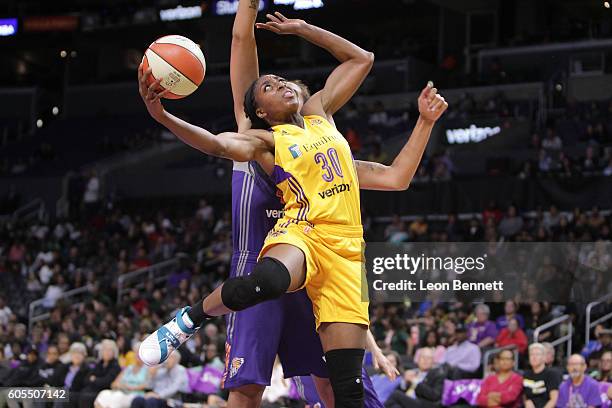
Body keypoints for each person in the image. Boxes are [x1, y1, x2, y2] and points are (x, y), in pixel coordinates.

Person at [138, 8, 447, 408]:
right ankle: (190, 318)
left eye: (282, 79)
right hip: (303, 234)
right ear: (260, 113)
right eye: (268, 85)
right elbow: (216, 144)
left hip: (347, 252)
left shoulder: (322, 118)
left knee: (348, 390)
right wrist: (162, 116)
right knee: (264, 283)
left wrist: (303, 29)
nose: (280, 82)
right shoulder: (265, 141)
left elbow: (363, 62)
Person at [94, 342, 150, 408]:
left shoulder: (148, 368)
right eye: (136, 353)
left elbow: (147, 385)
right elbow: (114, 384)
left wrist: (130, 387)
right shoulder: (128, 368)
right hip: (121, 391)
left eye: (140, 354)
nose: (138, 356)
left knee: (117, 398)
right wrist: (120, 386)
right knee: (104, 393)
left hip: (135, 394)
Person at [523, 343, 561, 408]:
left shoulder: (552, 374)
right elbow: (524, 396)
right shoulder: (526, 375)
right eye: (531, 354)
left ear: (544, 357)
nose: (534, 357)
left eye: (537, 354)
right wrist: (526, 401)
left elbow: (554, 400)